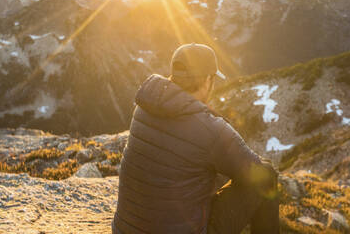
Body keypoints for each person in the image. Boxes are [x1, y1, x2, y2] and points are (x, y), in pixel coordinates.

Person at [112, 43, 279, 234]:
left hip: (124, 230)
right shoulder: (210, 129)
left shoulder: (143, 108)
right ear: (208, 80)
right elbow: (254, 170)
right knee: (266, 175)